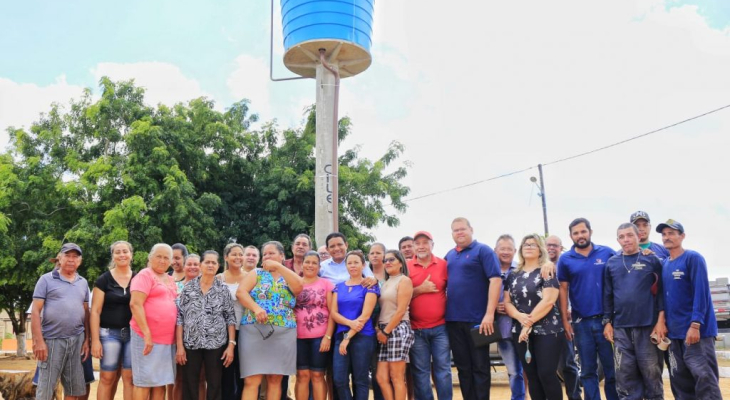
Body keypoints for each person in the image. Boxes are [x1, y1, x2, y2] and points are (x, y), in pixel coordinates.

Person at [658, 219, 722, 399]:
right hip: (675, 334)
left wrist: (695, 325)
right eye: (664, 234)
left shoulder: (693, 258)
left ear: (682, 236)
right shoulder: (665, 264)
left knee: (704, 379)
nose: (667, 237)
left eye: (672, 233)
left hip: (696, 333)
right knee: (680, 381)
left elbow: (701, 294)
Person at [603, 223, 665, 400]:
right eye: (621, 237)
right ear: (617, 240)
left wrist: (661, 320)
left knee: (651, 375)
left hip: (647, 327)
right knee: (625, 377)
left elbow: (661, 293)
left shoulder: (652, 260)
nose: (626, 240)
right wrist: (607, 322)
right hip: (621, 329)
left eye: (630, 235)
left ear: (639, 237)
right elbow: (607, 295)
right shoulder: (611, 264)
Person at [557, 218, 618, 400]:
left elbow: (625, 263)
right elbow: (563, 289)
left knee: (612, 370)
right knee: (588, 371)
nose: (580, 236)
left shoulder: (607, 253)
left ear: (590, 232)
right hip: (581, 323)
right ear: (571, 236)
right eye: (576, 233)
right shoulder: (566, 259)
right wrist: (564, 321)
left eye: (583, 231)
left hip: (606, 322)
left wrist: (643, 252)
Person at [237, 241, 304, 400]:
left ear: (282, 256)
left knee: (275, 379)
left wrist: (279, 267)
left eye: (271, 253)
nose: (267, 256)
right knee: (252, 379)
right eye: (265, 254)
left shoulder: (289, 275)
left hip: (284, 333)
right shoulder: (256, 273)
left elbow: (299, 287)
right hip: (254, 331)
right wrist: (256, 308)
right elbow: (241, 293)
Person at [444, 217, 501, 400]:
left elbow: (495, 280)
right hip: (453, 321)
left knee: (480, 366)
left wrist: (489, 314)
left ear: (471, 229)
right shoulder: (449, 256)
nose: (459, 232)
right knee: (463, 368)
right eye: (455, 230)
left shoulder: (483, 251)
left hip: (479, 321)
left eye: (462, 229)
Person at [504, 234, 564, 400]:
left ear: (540, 250)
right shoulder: (513, 275)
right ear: (521, 250)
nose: (529, 246)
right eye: (525, 244)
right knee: (532, 376)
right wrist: (520, 318)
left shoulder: (547, 270)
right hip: (521, 333)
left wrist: (528, 322)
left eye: (533, 244)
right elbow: (507, 302)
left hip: (548, 330)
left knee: (546, 374)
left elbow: (549, 300)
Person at [31, 243, 90, 400]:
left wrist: (87, 340)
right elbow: (35, 311)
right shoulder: (46, 280)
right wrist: (38, 341)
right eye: (67, 256)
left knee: (73, 387)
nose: (71, 259)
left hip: (77, 339)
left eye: (75, 256)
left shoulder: (83, 282)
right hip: (51, 340)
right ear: (59, 258)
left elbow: (86, 312)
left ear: (80, 260)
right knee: (46, 387)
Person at [176, 250, 237, 400]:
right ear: (201, 265)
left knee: (215, 383)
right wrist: (179, 346)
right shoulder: (188, 288)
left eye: (213, 262)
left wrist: (231, 346)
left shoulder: (223, 290)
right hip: (190, 344)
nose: (210, 265)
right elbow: (180, 318)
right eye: (207, 262)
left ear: (218, 266)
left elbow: (230, 318)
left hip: (216, 344)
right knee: (189, 383)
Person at [129, 243, 179, 400]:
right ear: (150, 257)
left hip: (167, 340)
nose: (162, 260)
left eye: (166, 258)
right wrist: (147, 334)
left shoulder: (170, 279)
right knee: (144, 382)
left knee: (160, 382)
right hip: (146, 337)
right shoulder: (145, 275)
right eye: (159, 256)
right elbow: (135, 304)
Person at [407, 231, 452, 400]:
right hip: (416, 329)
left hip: (441, 328)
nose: (421, 246)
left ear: (432, 244)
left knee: (443, 371)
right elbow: (399, 295)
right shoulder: (407, 266)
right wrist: (419, 290)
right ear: (413, 247)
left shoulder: (443, 264)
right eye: (417, 243)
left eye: (425, 242)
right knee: (420, 373)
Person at [330, 250, 380, 400]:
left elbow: (365, 316)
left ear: (363, 265)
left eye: (356, 262)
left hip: (363, 336)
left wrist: (348, 337)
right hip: (341, 335)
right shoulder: (339, 287)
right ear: (345, 266)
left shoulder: (370, 286)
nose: (352, 266)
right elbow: (334, 313)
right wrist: (349, 324)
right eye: (349, 263)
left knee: (360, 380)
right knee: (339, 379)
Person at [91, 241, 136, 400]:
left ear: (131, 254)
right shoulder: (103, 280)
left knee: (130, 378)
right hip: (109, 335)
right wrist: (95, 340)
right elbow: (95, 311)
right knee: (107, 378)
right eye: (118, 252)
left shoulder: (139, 278)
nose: (122, 255)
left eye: (125, 251)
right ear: (113, 256)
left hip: (133, 335)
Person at [294, 251, 335, 400]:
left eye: (314, 263)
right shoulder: (294, 282)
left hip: (320, 336)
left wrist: (328, 336)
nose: (310, 265)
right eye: (307, 262)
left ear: (319, 266)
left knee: (318, 375)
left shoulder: (326, 284)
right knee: (302, 375)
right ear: (302, 263)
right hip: (297, 337)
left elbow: (332, 313)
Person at [545, 235, 581, 400]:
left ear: (561, 248)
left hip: (563, 321)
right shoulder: (539, 266)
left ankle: (574, 396)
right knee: (547, 367)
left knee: (568, 363)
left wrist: (569, 308)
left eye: (555, 245)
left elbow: (573, 290)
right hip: (543, 323)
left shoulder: (565, 265)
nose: (551, 248)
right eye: (548, 245)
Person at [375, 250, 415, 400]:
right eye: (385, 260)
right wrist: (379, 329)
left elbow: (400, 311)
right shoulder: (385, 283)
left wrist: (385, 332)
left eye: (392, 259)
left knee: (396, 377)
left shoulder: (404, 280)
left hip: (398, 329)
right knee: (381, 377)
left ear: (400, 262)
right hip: (384, 329)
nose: (388, 262)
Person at [494, 235, 525, 400]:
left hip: (524, 328)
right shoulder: (489, 272)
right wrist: (494, 307)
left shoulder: (522, 270)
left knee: (530, 369)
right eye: (502, 248)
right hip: (503, 330)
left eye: (509, 249)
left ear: (515, 251)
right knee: (513, 371)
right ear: (495, 250)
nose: (506, 252)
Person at [219, 244, 249, 400]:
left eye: (240, 254)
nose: (238, 257)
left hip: (246, 329)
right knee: (226, 371)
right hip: (223, 331)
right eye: (234, 254)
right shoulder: (219, 279)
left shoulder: (250, 276)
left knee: (243, 371)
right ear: (226, 257)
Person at [367, 243, 388, 400]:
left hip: (389, 325)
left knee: (388, 371)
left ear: (384, 256)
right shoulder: (364, 275)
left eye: (378, 253)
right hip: (369, 325)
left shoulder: (391, 275)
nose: (374, 255)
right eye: (372, 253)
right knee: (374, 369)